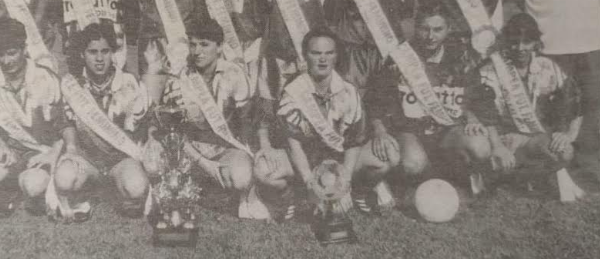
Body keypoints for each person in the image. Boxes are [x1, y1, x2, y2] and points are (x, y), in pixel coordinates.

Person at [514, 0, 600, 186]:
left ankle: (589, 166)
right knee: (549, 108)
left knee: (592, 105)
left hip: (592, 43)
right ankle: (551, 167)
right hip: (548, 45)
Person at [365, 5, 490, 197]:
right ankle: (409, 180)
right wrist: (379, 130)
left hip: (447, 130)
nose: (430, 36)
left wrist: (472, 118)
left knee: (480, 147)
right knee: (413, 163)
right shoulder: (400, 58)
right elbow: (375, 98)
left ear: (448, 29)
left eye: (438, 29)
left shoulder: (460, 57)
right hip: (410, 130)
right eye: (425, 29)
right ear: (416, 29)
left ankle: (456, 174)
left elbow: (476, 95)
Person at [274, 28, 397, 215]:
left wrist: (344, 181)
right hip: (306, 161)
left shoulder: (349, 91)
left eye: (329, 53)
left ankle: (359, 192)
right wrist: (310, 183)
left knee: (387, 158)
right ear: (305, 56)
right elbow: (294, 146)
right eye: (316, 53)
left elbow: (354, 142)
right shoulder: (293, 91)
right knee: (266, 172)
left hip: (338, 159)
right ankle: (293, 198)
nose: (323, 59)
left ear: (336, 56)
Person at [466, 13, 585, 202]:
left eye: (527, 42)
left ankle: (525, 176)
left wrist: (567, 134)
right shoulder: (489, 70)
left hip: (533, 139)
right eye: (514, 42)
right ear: (506, 41)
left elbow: (575, 103)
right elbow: (483, 110)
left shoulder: (548, 67)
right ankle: (504, 177)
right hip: (502, 138)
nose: (520, 48)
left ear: (536, 42)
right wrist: (497, 146)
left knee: (565, 151)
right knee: (488, 157)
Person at [160, 17, 259, 217]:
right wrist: (204, 163)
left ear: (220, 47)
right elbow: (172, 131)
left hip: (224, 147)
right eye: (193, 44)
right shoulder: (179, 77)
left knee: (241, 177)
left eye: (204, 44)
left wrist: (246, 154)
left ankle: (238, 194)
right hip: (190, 150)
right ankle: (201, 192)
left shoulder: (234, 73)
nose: (197, 51)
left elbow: (246, 120)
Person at [0, 18, 70, 217]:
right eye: (0, 54)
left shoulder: (46, 78)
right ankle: (12, 189)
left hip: (41, 152)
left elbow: (64, 124)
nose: (6, 61)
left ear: (24, 48)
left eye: (11, 53)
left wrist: (52, 153)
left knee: (33, 186)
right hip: (11, 154)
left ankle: (29, 188)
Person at [57, 23, 151, 220]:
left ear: (113, 53)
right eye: (92, 52)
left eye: (105, 51)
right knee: (64, 179)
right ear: (82, 54)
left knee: (136, 188)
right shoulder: (73, 85)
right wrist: (71, 148)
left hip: (119, 159)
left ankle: (114, 188)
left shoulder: (128, 82)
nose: (99, 59)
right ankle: (90, 191)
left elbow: (144, 122)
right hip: (87, 159)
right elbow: (67, 122)